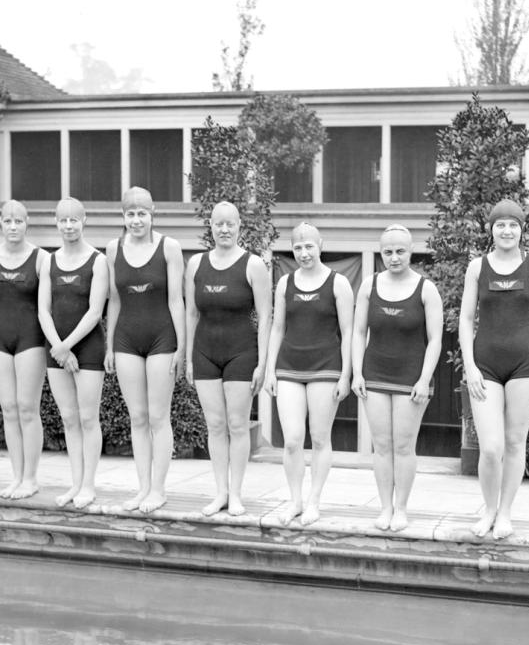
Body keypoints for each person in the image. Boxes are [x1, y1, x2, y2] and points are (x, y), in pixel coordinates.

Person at [460, 198, 529, 539]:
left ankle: (505, 513)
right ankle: (488, 509)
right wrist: (470, 367)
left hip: (525, 364)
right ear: (491, 230)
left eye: (513, 224)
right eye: (500, 224)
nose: (507, 230)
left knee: (515, 442)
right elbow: (466, 319)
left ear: (521, 229)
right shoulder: (477, 267)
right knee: (490, 447)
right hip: (485, 364)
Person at [351, 225, 443, 532]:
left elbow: (435, 340)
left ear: (411, 251)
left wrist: (424, 379)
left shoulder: (426, 289)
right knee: (382, 445)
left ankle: (401, 508)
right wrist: (357, 371)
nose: (394, 257)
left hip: (411, 378)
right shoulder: (369, 285)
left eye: (400, 251)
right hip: (375, 374)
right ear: (381, 253)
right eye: (388, 252)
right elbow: (358, 331)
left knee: (404, 446)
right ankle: (385, 507)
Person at [264, 222, 354, 526]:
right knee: (291, 440)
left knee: (318, 437)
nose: (304, 253)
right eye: (298, 247)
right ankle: (296, 501)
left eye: (309, 246)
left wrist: (346, 375)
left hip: (326, 367)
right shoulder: (284, 283)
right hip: (288, 365)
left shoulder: (338, 283)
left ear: (320, 245)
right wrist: (269, 371)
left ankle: (314, 500)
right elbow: (277, 328)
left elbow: (348, 331)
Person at [185, 201, 271, 517]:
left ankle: (236, 494)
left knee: (236, 424)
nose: (224, 229)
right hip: (205, 352)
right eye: (218, 224)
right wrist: (189, 358)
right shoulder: (195, 264)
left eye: (230, 224)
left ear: (238, 226)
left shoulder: (253, 265)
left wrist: (263, 362)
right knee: (215, 424)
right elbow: (191, 313)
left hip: (242, 353)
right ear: (211, 226)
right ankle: (220, 491)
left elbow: (265, 317)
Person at [105, 187, 185, 514]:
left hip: (162, 337)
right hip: (126, 337)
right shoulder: (113, 249)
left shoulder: (170, 248)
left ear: (153, 213)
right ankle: (142, 488)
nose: (136, 220)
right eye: (130, 214)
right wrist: (110, 345)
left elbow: (176, 300)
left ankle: (159, 488)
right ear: (123, 217)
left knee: (156, 416)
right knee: (137, 417)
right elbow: (114, 300)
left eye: (142, 214)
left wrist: (181, 346)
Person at [38, 197, 108, 510]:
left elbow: (95, 312)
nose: (68, 226)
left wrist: (67, 346)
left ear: (83, 221)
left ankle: (89, 485)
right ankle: (75, 483)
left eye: (74, 220)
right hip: (55, 348)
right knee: (68, 418)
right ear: (56, 223)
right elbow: (43, 311)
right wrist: (58, 348)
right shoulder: (49, 262)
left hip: (87, 346)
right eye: (63, 220)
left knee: (88, 417)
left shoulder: (98, 261)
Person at [0, 200, 49, 500]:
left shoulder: (40, 258)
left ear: (27, 223)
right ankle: (16, 475)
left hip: (30, 339)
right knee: (9, 410)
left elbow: (45, 307)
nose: (13, 227)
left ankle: (31, 478)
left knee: (27, 408)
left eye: (18, 221)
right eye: (8, 221)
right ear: (0, 222)